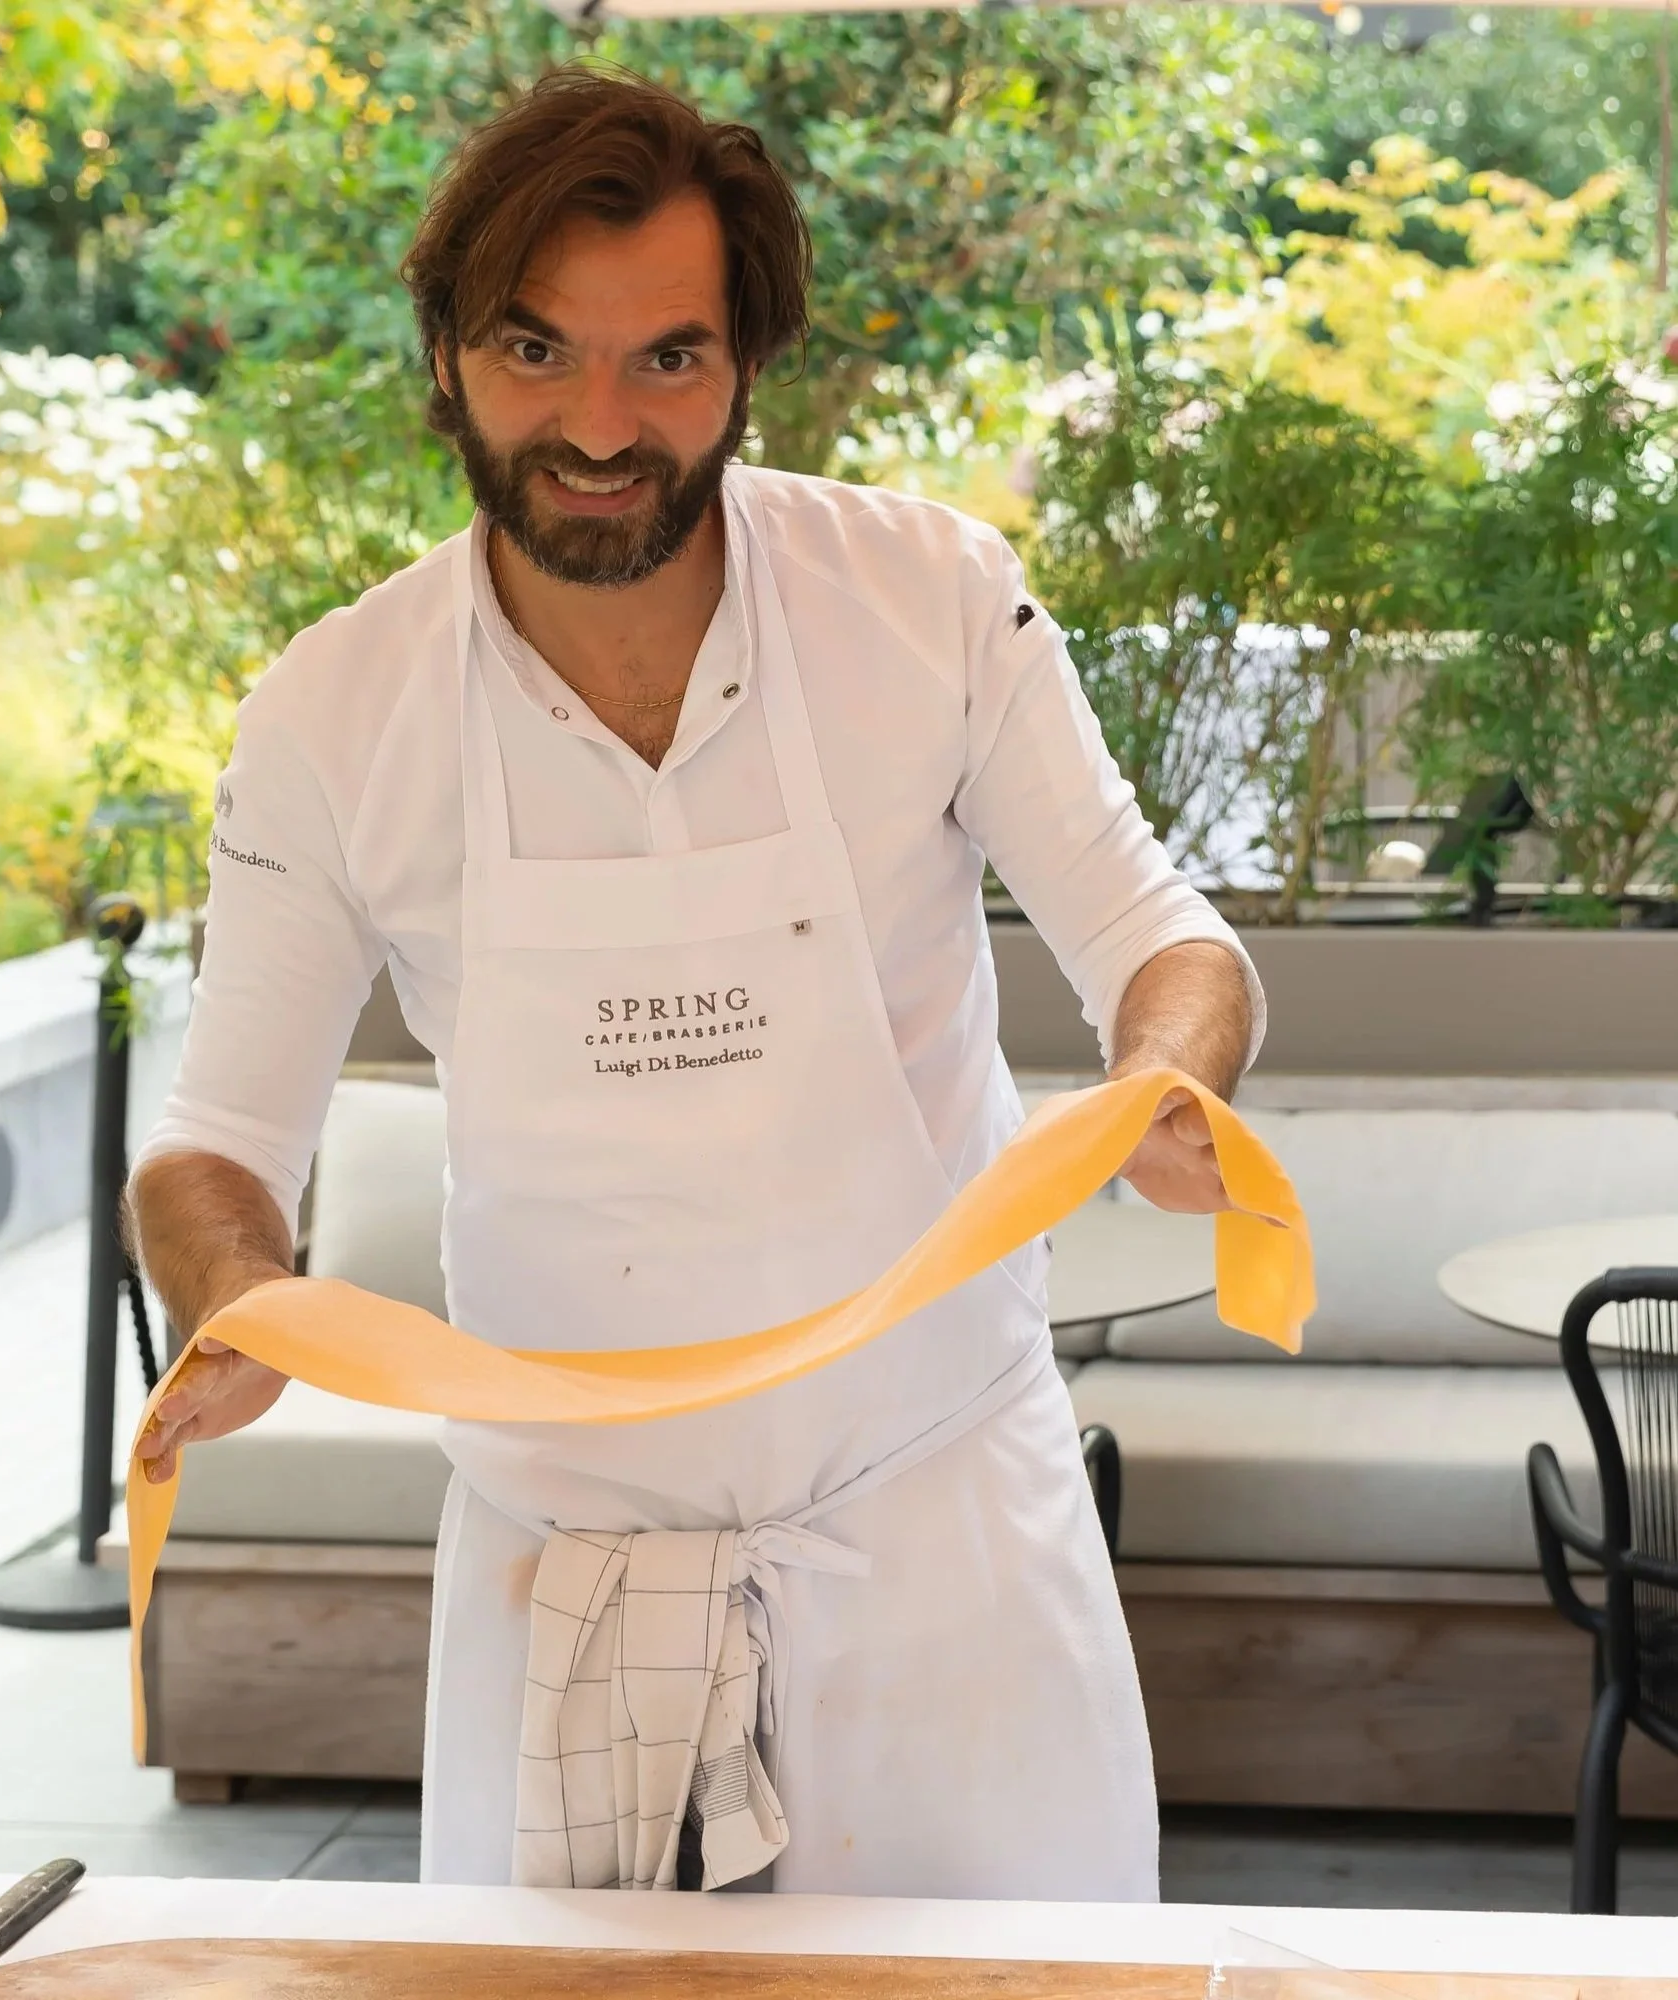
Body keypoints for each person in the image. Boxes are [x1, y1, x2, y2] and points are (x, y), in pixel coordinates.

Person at [125, 66, 1259, 1900]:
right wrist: (238, 1295)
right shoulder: (334, 715)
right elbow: (210, 1145)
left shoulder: (929, 601)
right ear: (444, 357)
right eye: (534, 348)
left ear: (743, 368)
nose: (598, 422)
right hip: (560, 1568)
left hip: (939, 1534)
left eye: (668, 358)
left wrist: (1169, 1081)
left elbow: (1162, 935)